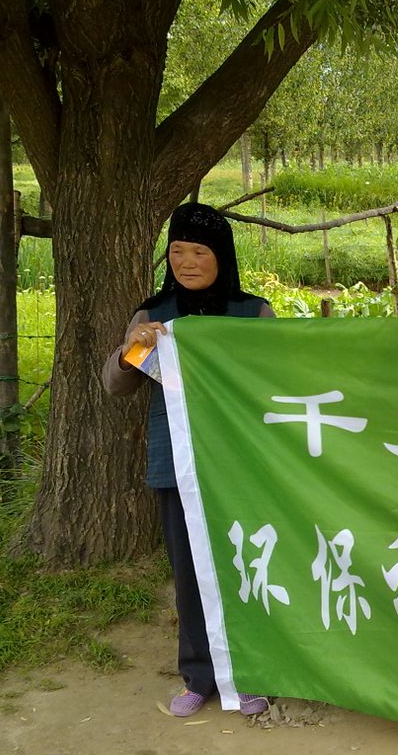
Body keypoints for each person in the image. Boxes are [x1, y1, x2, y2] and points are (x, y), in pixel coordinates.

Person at [103, 202, 275, 718]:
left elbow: (279, 380)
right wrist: (131, 348)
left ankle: (249, 673)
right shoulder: (153, 316)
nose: (187, 261)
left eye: (199, 251)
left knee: (243, 567)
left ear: (221, 256)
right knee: (189, 573)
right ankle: (199, 676)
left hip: (241, 465)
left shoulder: (253, 314)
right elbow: (115, 385)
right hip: (177, 467)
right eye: (177, 251)